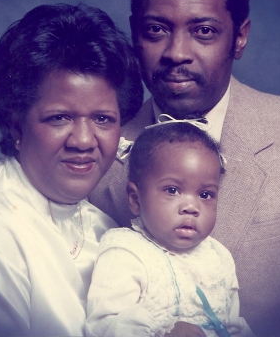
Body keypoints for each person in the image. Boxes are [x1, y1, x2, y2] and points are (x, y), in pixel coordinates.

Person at [89, 0, 280, 336]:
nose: (177, 52)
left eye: (204, 31)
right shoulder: (101, 155)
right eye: (156, 29)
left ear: (240, 37)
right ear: (135, 36)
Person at [0, 3, 143, 336]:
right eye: (59, 117)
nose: (83, 140)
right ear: (15, 126)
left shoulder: (103, 225)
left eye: (102, 119)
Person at [86, 122, 254, 337]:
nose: (191, 207)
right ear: (135, 199)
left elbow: (230, 320)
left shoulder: (218, 256)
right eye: (172, 190)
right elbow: (103, 327)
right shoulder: (125, 252)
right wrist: (162, 333)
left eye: (205, 195)